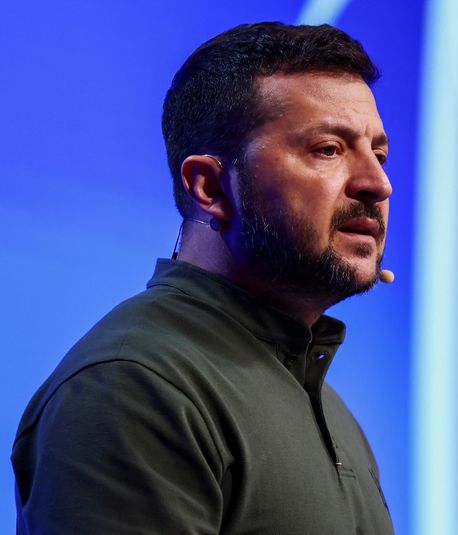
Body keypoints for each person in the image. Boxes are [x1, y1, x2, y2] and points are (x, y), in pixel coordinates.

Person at [12, 22, 395, 534]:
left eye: (379, 153)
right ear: (210, 186)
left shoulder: (331, 410)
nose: (377, 182)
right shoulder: (135, 385)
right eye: (328, 149)